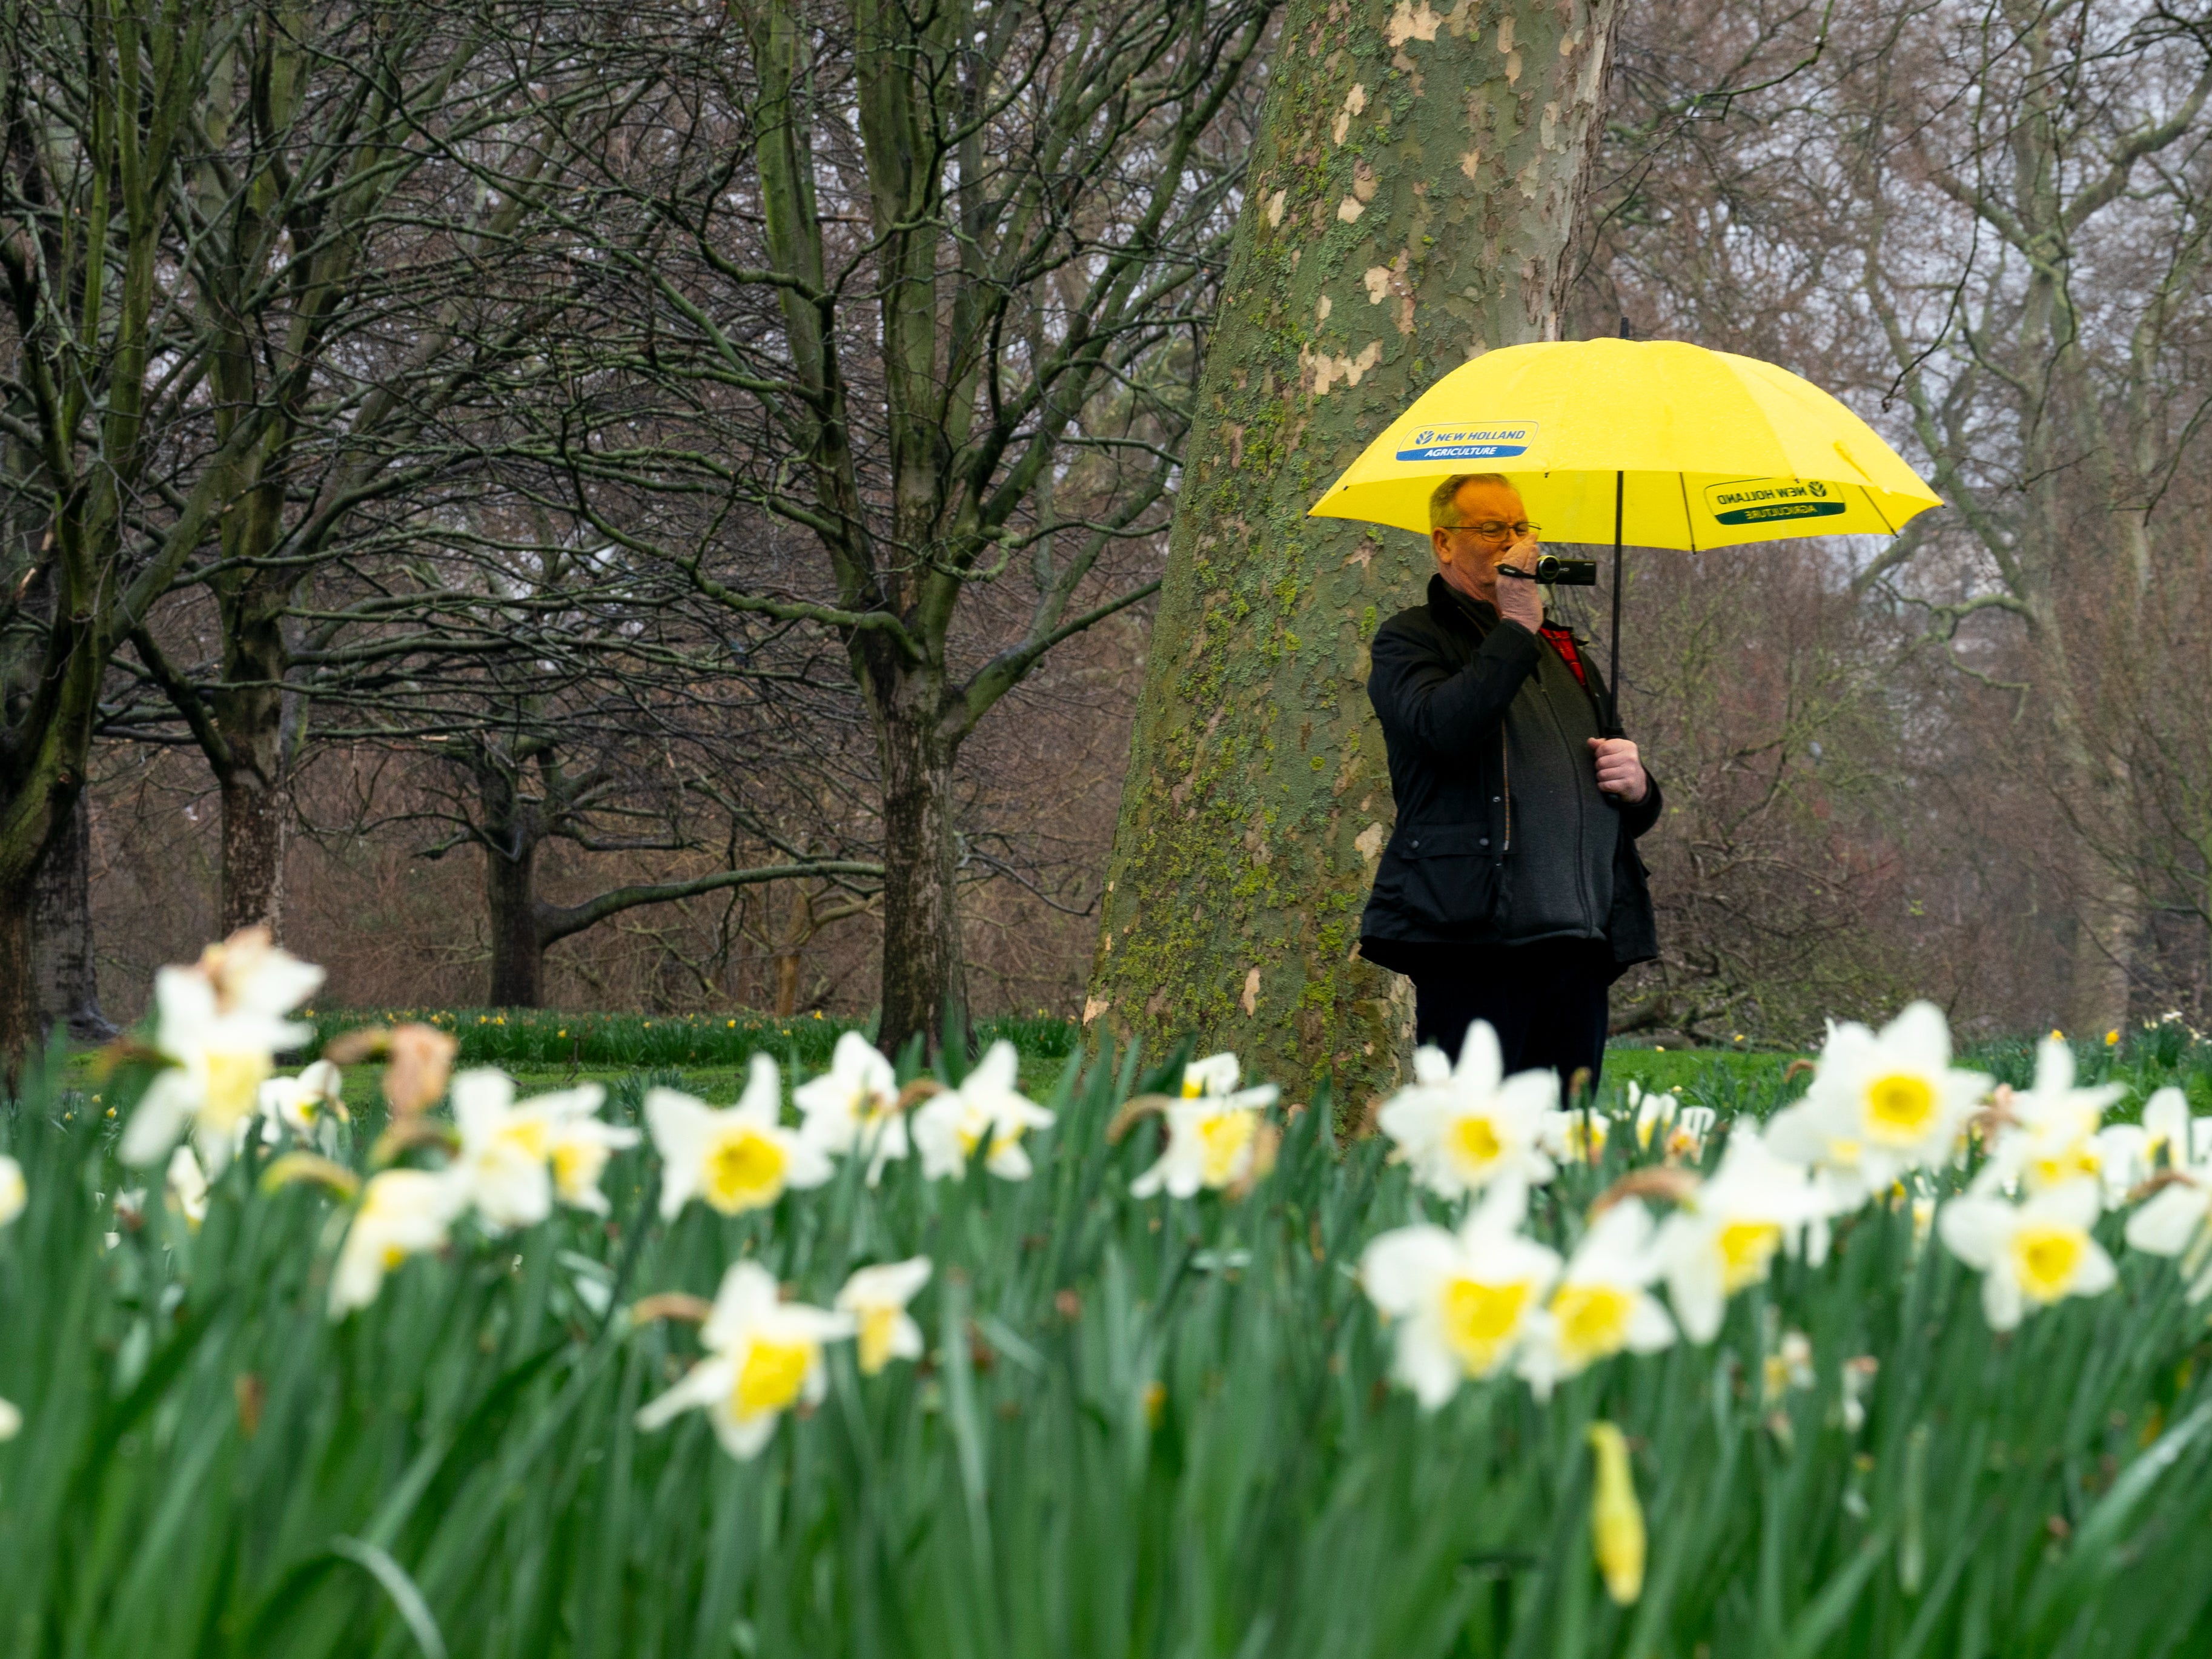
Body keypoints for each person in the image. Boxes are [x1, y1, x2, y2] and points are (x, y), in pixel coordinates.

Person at [1357, 472, 1662, 1095]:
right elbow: (1443, 729)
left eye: (1521, 528)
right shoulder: (1412, 638)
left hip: (1579, 945)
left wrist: (1640, 788)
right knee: (1469, 1142)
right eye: (1492, 529)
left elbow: (1613, 798)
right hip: (1474, 940)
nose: (1514, 543)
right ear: (1444, 544)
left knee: (1558, 1149)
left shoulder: (1562, 647)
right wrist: (1516, 628)